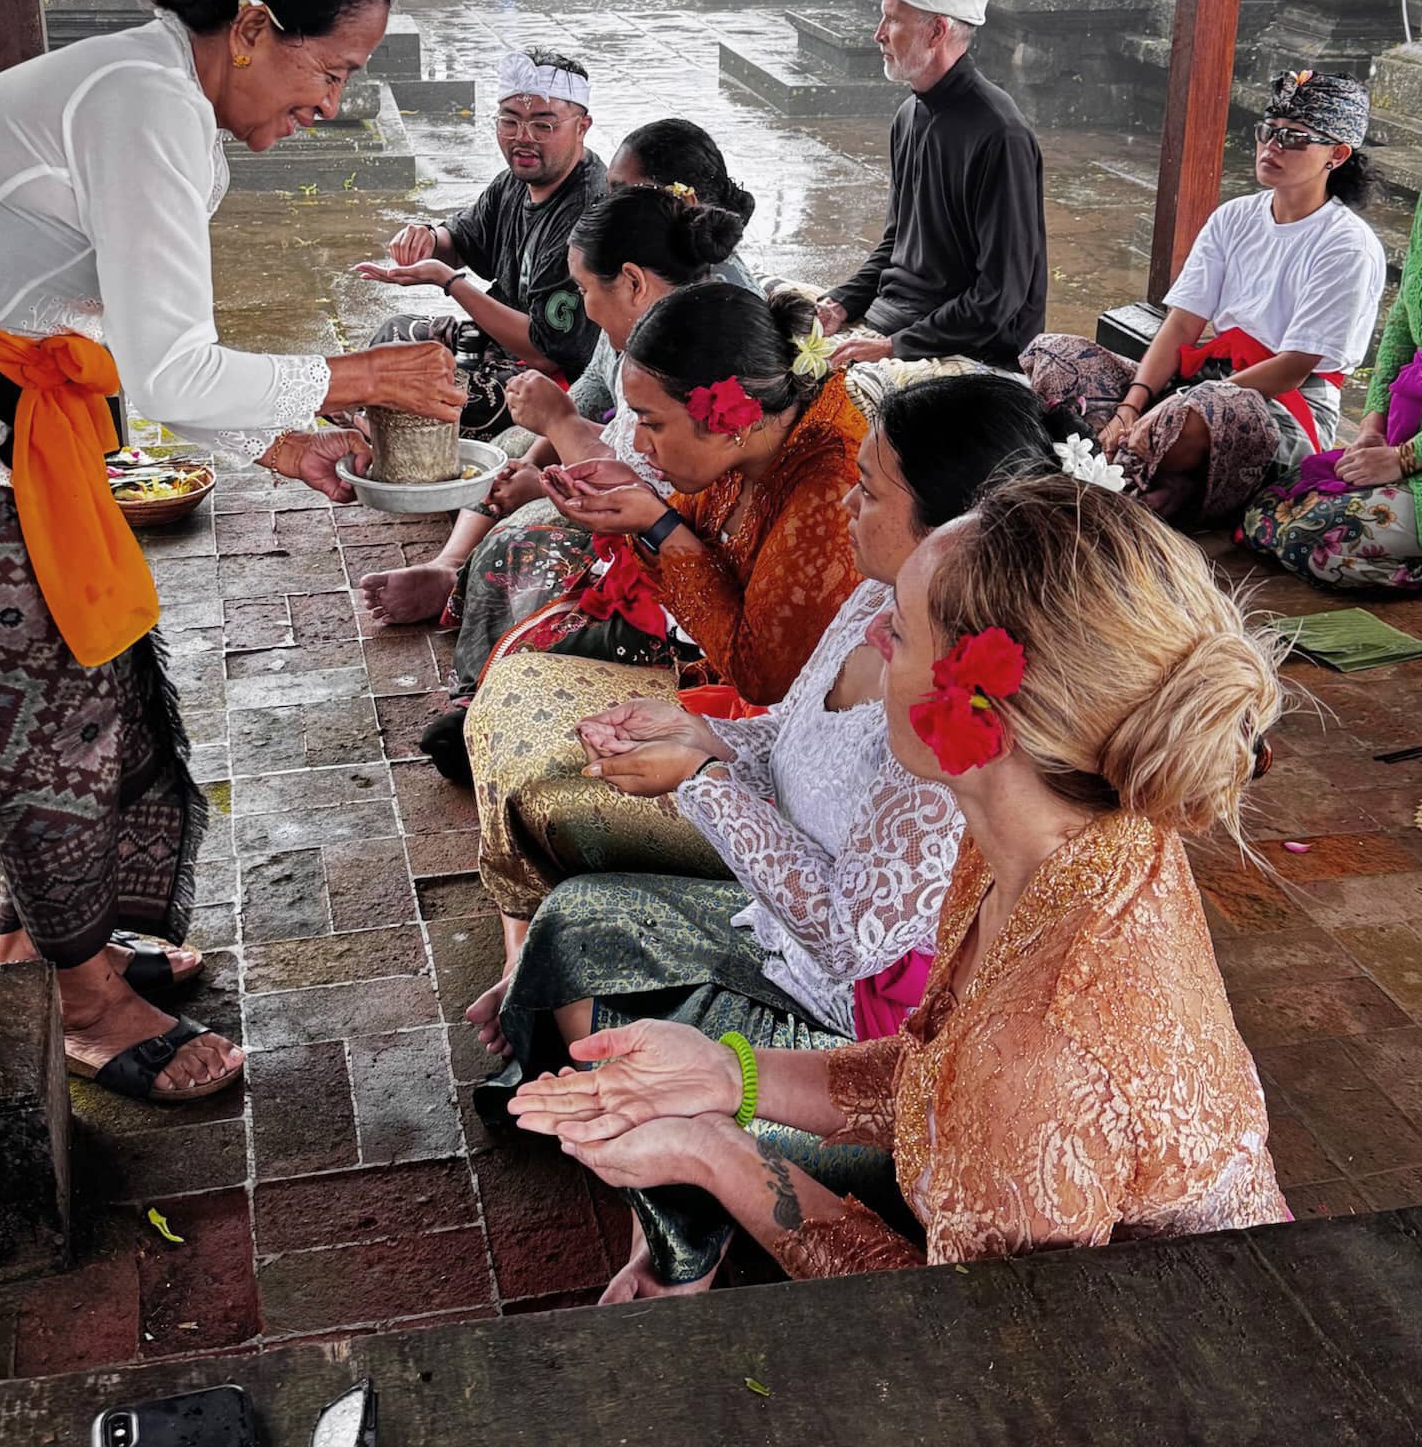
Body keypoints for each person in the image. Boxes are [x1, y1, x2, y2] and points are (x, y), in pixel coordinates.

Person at [0, 0, 462, 1109]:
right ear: (254, 27)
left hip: (9, 418)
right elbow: (168, 372)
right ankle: (89, 1003)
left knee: (97, 684)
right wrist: (363, 374)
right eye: (332, 69)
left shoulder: (166, 102)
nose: (332, 103)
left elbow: (141, 346)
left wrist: (283, 443)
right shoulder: (141, 103)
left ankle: (48, 940)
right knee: (45, 716)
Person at [512, 473, 1287, 1293]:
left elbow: (963, 1337)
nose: (876, 631)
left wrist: (719, 1152)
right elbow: (936, 1074)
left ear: (988, 715)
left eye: (906, 630)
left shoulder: (1041, 1053)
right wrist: (729, 1076)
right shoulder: (1066, 837)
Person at [482, 380, 1098, 1299]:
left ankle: (691, 1231)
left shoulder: (973, 770)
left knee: (645, 1060)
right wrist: (698, 736)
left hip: (851, 1017)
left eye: (871, 491)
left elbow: (863, 960)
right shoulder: (884, 607)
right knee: (579, 929)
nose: (847, 509)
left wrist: (718, 1126)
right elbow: (783, 725)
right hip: (836, 1002)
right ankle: (678, 1180)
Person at [461, 283, 866, 1034]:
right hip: (749, 724)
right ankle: (527, 950)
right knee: (517, 682)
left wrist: (660, 530)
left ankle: (542, 961)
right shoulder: (757, 446)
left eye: (649, 424)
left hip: (781, 760)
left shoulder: (829, 493)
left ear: (730, 415)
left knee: (546, 792)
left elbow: (765, 676)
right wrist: (648, 515)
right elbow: (702, 555)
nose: (638, 445)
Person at [360, 116, 756, 642]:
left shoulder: (698, 322)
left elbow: (664, 478)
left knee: (520, 540)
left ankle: (476, 637)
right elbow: (595, 396)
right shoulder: (630, 277)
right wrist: (534, 461)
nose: (603, 202)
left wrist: (557, 451)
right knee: (511, 449)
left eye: (620, 192)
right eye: (510, 119)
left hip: (675, 525)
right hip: (631, 476)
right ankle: (450, 566)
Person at [411, 183, 748, 780]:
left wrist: (560, 442)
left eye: (586, 290)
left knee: (529, 551)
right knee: (518, 512)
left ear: (633, 281)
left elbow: (649, 482)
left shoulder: (690, 350)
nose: (584, 305)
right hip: (668, 535)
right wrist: (554, 457)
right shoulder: (649, 334)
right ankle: (481, 671)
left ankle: (494, 699)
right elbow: (633, 460)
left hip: (688, 574)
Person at [1025, 69, 1387, 523]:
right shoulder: (1234, 217)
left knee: (1198, 414)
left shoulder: (1347, 246)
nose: (1271, 147)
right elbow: (1181, 325)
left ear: (1336, 154)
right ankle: (1156, 477)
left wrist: (1180, 406)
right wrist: (1130, 406)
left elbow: (1295, 367)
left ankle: (1141, 477)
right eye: (1268, 132)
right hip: (1201, 387)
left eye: (1294, 139)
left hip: (1279, 408)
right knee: (1055, 355)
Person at [353, 47, 606, 458]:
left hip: (552, 379)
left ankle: (382, 432)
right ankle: (381, 429)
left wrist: (450, 282)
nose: (522, 137)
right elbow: (463, 240)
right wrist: (427, 237)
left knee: (455, 400)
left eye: (543, 125)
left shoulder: (586, 211)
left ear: (582, 127)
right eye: (510, 121)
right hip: (493, 346)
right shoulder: (512, 183)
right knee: (391, 341)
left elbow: (545, 349)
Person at [813, 0, 1046, 373]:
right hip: (896, 321)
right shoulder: (910, 115)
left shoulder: (1000, 133)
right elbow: (896, 242)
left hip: (973, 350)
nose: (878, 33)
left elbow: (999, 297)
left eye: (893, 20)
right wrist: (842, 303)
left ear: (937, 31)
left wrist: (892, 347)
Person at [1241, 188, 1422, 589]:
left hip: (1412, 453)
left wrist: (1406, 458)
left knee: (1308, 541)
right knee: (1264, 514)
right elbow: (1401, 325)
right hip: (1405, 430)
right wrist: (1373, 428)